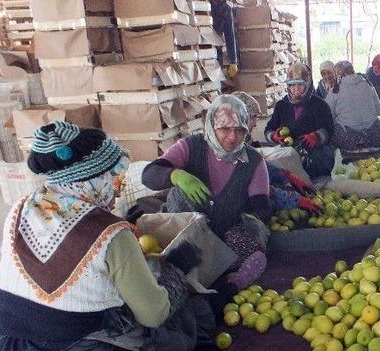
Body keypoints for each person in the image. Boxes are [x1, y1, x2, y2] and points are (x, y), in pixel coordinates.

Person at [0, 121, 210, 351]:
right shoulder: (110, 233)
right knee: (179, 323)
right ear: (93, 180)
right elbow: (154, 313)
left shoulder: (21, 208)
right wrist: (176, 267)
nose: (118, 186)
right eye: (113, 179)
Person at [143, 95, 271, 291]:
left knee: (257, 257)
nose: (231, 137)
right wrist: (177, 175)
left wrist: (247, 221)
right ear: (211, 125)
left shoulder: (253, 161)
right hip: (181, 230)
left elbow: (261, 208)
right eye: (224, 129)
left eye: (239, 130)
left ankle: (232, 288)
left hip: (224, 234)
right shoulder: (191, 146)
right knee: (168, 269)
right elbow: (149, 175)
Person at [231, 91, 322, 215]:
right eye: (253, 118)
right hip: (233, 206)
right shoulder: (229, 149)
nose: (256, 124)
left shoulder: (239, 144)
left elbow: (257, 164)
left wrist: (285, 175)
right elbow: (259, 185)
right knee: (267, 208)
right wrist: (295, 201)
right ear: (241, 116)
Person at [265, 63, 335, 178]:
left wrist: (316, 136)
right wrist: (274, 136)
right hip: (288, 153)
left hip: (314, 154)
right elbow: (268, 129)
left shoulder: (320, 105)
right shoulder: (281, 106)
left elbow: (329, 130)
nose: (296, 88)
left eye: (300, 84)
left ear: (307, 85)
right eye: (292, 85)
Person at [325, 60, 380, 151]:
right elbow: (379, 111)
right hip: (374, 137)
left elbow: (328, 116)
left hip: (348, 140)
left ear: (338, 74)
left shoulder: (335, 91)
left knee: (329, 133)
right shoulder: (368, 84)